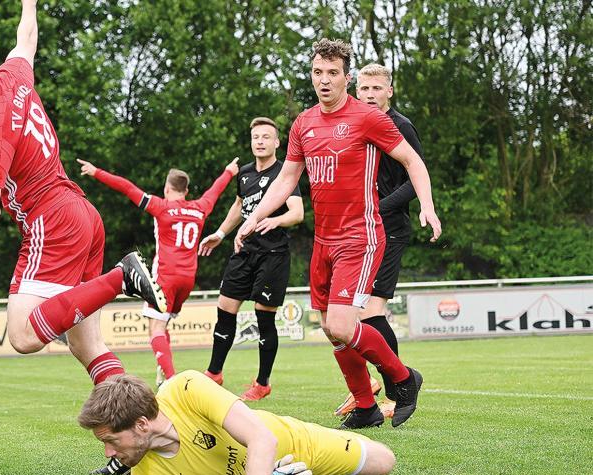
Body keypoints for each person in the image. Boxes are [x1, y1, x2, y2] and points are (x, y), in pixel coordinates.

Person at [0, 1, 165, 475]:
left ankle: (124, 276)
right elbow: (27, 37)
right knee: (88, 348)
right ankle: (136, 437)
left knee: (22, 335)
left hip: (51, 221)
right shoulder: (16, 76)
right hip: (82, 214)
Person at [236, 39, 442, 429]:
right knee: (331, 330)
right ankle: (365, 406)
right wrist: (252, 217)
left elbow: (413, 160)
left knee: (344, 325)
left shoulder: (368, 118)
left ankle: (402, 378)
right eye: (318, 73)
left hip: (359, 238)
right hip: (323, 242)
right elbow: (285, 180)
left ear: (347, 77)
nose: (324, 80)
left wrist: (427, 207)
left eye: (333, 73)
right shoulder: (303, 123)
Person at [78, 372, 396, 475]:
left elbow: (262, 438)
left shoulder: (185, 388)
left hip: (298, 442)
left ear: (142, 424)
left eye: (112, 440)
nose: (107, 453)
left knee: (384, 462)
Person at [76, 157, 239, 386]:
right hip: (188, 279)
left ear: (166, 188)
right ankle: (163, 375)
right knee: (163, 326)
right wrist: (229, 172)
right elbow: (215, 190)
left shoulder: (161, 206)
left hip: (165, 277)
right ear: (187, 190)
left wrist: (96, 172)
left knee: (155, 328)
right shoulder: (200, 207)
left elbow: (128, 188)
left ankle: (172, 382)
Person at [333, 63, 426, 420]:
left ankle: (398, 387)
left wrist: (374, 207)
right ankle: (372, 391)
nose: (369, 95)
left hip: (389, 229)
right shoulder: (355, 123)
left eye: (376, 88)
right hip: (359, 231)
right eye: (364, 89)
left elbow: (413, 180)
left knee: (371, 313)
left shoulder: (401, 127)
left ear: (389, 91)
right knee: (347, 319)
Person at [197, 117, 304, 401]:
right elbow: (239, 206)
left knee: (263, 318)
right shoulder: (244, 174)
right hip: (243, 251)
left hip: (273, 256)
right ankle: (214, 373)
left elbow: (297, 212)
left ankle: (262, 382)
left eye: (266, 137)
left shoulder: (284, 173)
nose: (260, 141)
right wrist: (220, 233)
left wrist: (276, 221)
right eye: (256, 137)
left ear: (277, 142)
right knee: (225, 309)